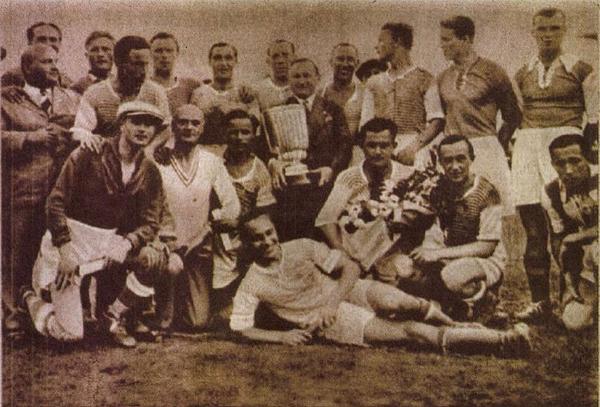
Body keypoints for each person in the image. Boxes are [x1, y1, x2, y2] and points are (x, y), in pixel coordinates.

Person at [229, 213, 531, 357]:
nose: (267, 241)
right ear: (247, 243)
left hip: (345, 292)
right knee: (413, 332)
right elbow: (240, 328)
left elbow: (350, 267)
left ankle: (459, 326)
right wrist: (282, 337)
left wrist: (332, 301)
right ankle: (502, 342)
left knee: (405, 302)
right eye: (258, 238)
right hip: (330, 321)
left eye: (269, 233)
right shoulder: (253, 282)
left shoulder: (301, 247)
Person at [24, 101, 170, 347]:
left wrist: (126, 243)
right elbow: (55, 202)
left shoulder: (150, 170)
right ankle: (29, 298)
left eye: (150, 124)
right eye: (136, 121)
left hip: (107, 244)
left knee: (153, 259)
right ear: (122, 124)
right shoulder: (90, 153)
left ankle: (113, 316)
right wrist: (65, 250)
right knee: (69, 334)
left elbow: (151, 222)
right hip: (70, 241)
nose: (143, 129)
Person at [512, 8, 598, 322]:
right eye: (542, 29)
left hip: (564, 146)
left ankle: (571, 297)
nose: (547, 35)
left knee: (567, 224)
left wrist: (588, 158)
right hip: (527, 146)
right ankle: (540, 303)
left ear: (564, 31)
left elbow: (594, 120)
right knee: (533, 229)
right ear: (533, 32)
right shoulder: (522, 72)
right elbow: (516, 115)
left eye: (554, 29)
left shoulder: (581, 68)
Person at [377, 136, 506, 322]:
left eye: (461, 159)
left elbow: (486, 247)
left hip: (483, 260)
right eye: (448, 160)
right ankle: (457, 307)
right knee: (399, 267)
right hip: (445, 253)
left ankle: (486, 297)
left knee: (452, 275)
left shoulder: (487, 192)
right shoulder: (435, 187)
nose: (455, 166)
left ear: (472, 158)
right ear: (440, 162)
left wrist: (436, 254)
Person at [1, 44, 80, 341]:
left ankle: (61, 315)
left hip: (62, 195)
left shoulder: (70, 98)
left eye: (56, 61)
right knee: (17, 257)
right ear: (26, 67)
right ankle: (14, 318)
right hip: (22, 191)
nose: (54, 66)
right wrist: (32, 138)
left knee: (60, 255)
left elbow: (84, 130)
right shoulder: (6, 100)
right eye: (46, 61)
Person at [152, 104, 240, 331]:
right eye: (182, 122)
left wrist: (208, 228)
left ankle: (182, 300)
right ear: (173, 127)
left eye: (195, 123)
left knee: (197, 322)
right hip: (165, 245)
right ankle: (162, 301)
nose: (189, 128)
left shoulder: (212, 162)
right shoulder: (159, 161)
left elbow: (232, 206)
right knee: (164, 319)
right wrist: (163, 242)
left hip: (198, 248)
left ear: (202, 128)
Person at [316, 118, 434, 273]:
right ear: (362, 146)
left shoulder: (408, 175)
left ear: (394, 146)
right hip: (353, 249)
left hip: (392, 251)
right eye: (371, 145)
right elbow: (326, 220)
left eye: (384, 146)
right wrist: (343, 254)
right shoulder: (349, 177)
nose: (378, 151)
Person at [438, 16, 521, 214]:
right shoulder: (442, 77)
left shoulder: (492, 71)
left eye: (447, 39)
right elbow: (443, 117)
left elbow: (513, 115)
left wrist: (496, 143)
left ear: (466, 39)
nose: (441, 45)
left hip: (485, 149)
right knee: (455, 212)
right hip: (453, 152)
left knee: (495, 210)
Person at [268, 57, 352, 241]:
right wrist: (273, 162)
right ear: (289, 80)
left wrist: (331, 168)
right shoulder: (277, 110)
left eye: (306, 75)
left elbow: (345, 144)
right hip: (290, 188)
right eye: (296, 76)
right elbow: (266, 146)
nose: (302, 81)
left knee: (321, 235)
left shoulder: (333, 109)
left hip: (323, 183)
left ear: (317, 78)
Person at [211, 109, 276, 323]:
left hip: (245, 240)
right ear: (224, 133)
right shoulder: (213, 162)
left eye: (245, 132)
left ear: (254, 134)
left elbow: (264, 214)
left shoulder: (259, 169)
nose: (239, 138)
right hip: (212, 238)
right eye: (233, 132)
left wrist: (238, 224)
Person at [71, 35, 170, 153]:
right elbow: (80, 129)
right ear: (118, 62)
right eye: (137, 64)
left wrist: (150, 148)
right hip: (106, 156)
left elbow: (166, 128)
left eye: (146, 64)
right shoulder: (95, 93)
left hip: (143, 155)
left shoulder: (156, 92)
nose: (144, 71)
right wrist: (86, 136)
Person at [366, 22, 445, 167]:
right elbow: (365, 124)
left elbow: (437, 120)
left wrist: (413, 148)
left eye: (381, 40)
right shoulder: (373, 83)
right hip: (380, 150)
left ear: (397, 42)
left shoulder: (425, 78)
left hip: (415, 151)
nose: (377, 46)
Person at [541, 134, 597, 331]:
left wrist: (575, 237)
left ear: (587, 158)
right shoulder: (550, 191)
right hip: (588, 263)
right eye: (560, 164)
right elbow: (558, 237)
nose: (568, 170)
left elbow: (569, 239)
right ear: (552, 164)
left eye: (575, 161)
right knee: (573, 321)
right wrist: (569, 282)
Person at [190, 42, 259, 145]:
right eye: (217, 58)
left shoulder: (245, 93)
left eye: (228, 58)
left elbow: (255, 129)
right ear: (210, 61)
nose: (223, 63)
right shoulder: (199, 93)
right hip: (206, 149)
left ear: (235, 61)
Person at [322, 43, 374, 165]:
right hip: (326, 156)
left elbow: (366, 131)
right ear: (331, 62)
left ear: (357, 63)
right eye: (340, 59)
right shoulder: (322, 93)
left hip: (355, 156)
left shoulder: (365, 94)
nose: (345, 64)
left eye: (350, 60)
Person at [2, 22, 73, 88]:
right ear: (30, 42)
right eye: (42, 39)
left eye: (53, 40)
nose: (48, 44)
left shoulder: (66, 81)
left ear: (59, 43)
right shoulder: (12, 76)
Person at [150, 32, 201, 113]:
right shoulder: (143, 87)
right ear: (150, 54)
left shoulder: (191, 87)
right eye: (158, 51)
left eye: (169, 51)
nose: (164, 55)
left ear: (177, 53)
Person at [255, 39, 296, 112]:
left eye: (285, 55)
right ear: (268, 61)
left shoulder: (303, 87)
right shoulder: (258, 91)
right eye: (275, 56)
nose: (280, 61)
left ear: (294, 58)